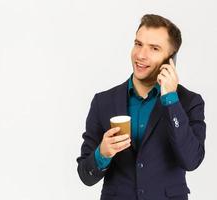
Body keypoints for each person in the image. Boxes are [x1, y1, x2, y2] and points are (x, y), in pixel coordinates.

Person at [76, 14, 206, 200]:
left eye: (154, 48)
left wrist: (171, 99)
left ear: (171, 59)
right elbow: (85, 175)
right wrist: (102, 153)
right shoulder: (103, 102)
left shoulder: (188, 102)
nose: (140, 55)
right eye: (138, 44)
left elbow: (191, 160)